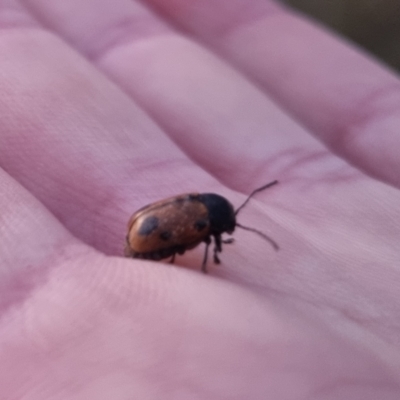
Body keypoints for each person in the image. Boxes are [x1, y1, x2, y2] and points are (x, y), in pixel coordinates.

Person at [1, 0, 399, 398]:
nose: (226, 235)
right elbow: (201, 241)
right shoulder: (204, 222)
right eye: (224, 233)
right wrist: (207, 262)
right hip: (145, 239)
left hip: (146, 230)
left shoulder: (206, 209)